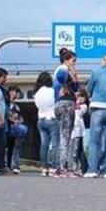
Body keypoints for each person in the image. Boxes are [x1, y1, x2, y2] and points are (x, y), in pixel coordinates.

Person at [53, 49, 80, 178]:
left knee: (66, 136)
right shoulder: (62, 69)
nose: (74, 63)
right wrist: (64, 86)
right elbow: (61, 77)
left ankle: (63, 166)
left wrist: (74, 76)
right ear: (66, 59)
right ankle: (62, 167)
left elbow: (76, 88)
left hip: (65, 104)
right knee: (65, 137)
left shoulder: (68, 71)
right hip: (65, 103)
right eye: (73, 61)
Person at [35, 71, 59, 176]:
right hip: (52, 118)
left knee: (44, 144)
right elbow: (57, 104)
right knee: (54, 144)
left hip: (41, 119)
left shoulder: (37, 93)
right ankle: (53, 167)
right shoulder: (52, 91)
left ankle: (44, 168)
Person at [7, 86, 27, 174]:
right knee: (9, 147)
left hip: (16, 128)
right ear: (11, 92)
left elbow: (20, 116)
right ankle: (10, 164)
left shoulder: (16, 105)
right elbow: (6, 115)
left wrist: (20, 121)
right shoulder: (7, 103)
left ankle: (14, 165)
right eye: (16, 92)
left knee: (16, 147)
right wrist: (14, 120)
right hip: (10, 127)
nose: (17, 94)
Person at [70, 89, 89, 175]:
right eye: (78, 96)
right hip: (73, 131)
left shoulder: (84, 106)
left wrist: (76, 102)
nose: (80, 98)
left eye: (82, 96)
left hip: (79, 131)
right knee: (75, 150)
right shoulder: (73, 105)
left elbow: (78, 112)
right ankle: (76, 167)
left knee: (79, 150)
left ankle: (83, 168)